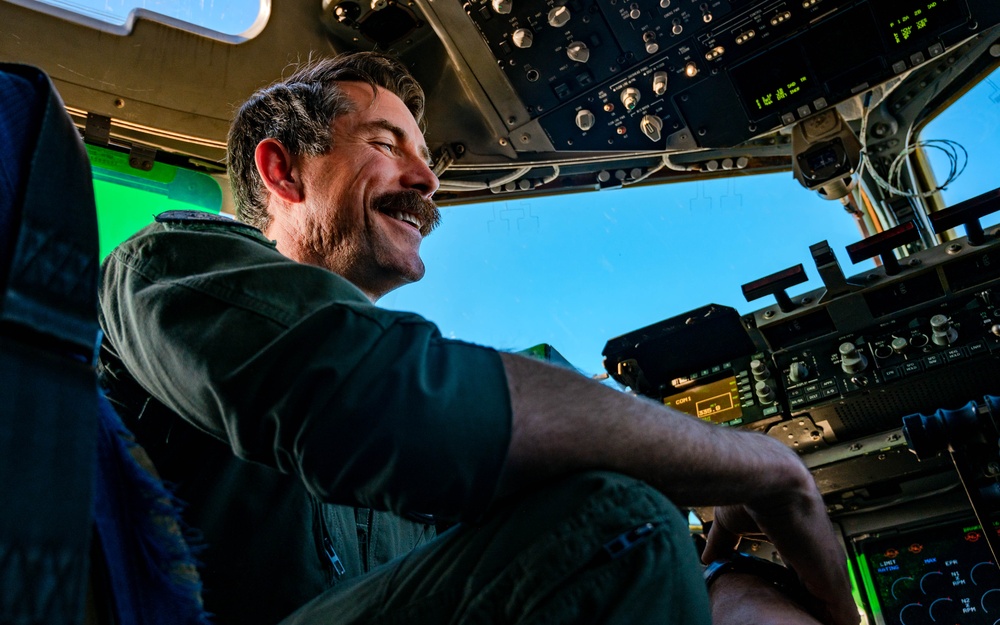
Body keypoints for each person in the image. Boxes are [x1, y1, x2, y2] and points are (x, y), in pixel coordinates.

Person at [97, 51, 859, 625]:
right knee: (617, 526)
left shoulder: (423, 438)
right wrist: (763, 467)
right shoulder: (167, 270)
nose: (428, 182)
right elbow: (383, 396)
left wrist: (714, 585)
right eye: (387, 144)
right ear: (282, 170)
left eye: (427, 159)